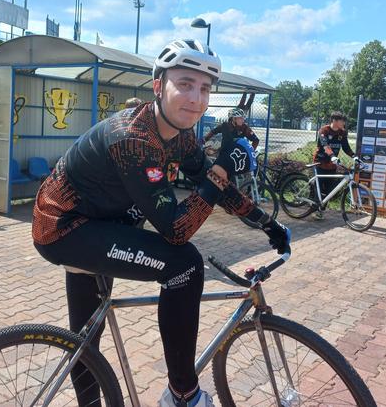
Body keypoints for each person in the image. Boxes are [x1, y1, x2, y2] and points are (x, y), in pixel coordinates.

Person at [32, 39, 290, 407]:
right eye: (184, 84)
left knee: (85, 340)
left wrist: (264, 222)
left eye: (204, 89)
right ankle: (182, 395)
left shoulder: (179, 137)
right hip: (63, 228)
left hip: (102, 219)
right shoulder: (134, 138)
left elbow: (216, 183)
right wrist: (220, 170)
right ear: (158, 86)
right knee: (184, 264)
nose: (196, 98)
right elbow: (177, 229)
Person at [312, 111, 357, 218]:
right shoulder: (324, 130)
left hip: (332, 164)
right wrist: (332, 155)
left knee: (329, 190)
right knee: (318, 188)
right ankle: (315, 208)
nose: (344, 123)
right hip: (320, 162)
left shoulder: (343, 132)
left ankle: (320, 210)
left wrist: (354, 156)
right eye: (342, 121)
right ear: (335, 121)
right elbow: (325, 145)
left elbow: (346, 147)